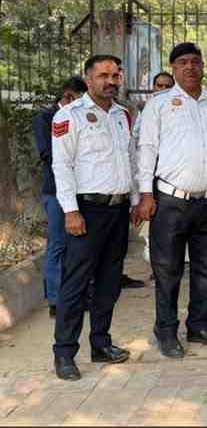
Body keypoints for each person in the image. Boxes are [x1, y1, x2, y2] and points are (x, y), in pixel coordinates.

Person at [134, 42, 207, 358]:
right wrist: (145, 194)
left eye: (195, 61)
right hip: (170, 201)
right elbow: (146, 149)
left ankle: (198, 325)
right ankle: (166, 331)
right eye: (183, 62)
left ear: (203, 66)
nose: (190, 67)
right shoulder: (159, 104)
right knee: (168, 270)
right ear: (174, 68)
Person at [50, 55, 134, 380]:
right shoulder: (69, 115)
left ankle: (101, 344)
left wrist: (135, 200)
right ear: (88, 79)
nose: (110, 81)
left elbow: (129, 160)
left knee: (110, 283)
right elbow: (62, 166)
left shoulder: (122, 115)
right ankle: (64, 353)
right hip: (87, 211)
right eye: (103, 75)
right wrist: (71, 211)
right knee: (75, 285)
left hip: (118, 210)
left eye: (115, 75)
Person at [34, 76, 87, 319]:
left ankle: (75, 295)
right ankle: (56, 301)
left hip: (81, 189)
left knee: (77, 245)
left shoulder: (80, 116)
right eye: (79, 100)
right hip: (56, 191)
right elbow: (47, 153)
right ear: (68, 96)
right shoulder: (45, 118)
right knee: (57, 244)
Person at [133, 71, 175, 268]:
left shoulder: (179, 109)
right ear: (153, 88)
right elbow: (136, 141)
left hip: (172, 177)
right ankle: (157, 263)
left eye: (168, 86)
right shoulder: (147, 110)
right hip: (150, 176)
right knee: (153, 221)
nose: (163, 89)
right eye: (159, 86)